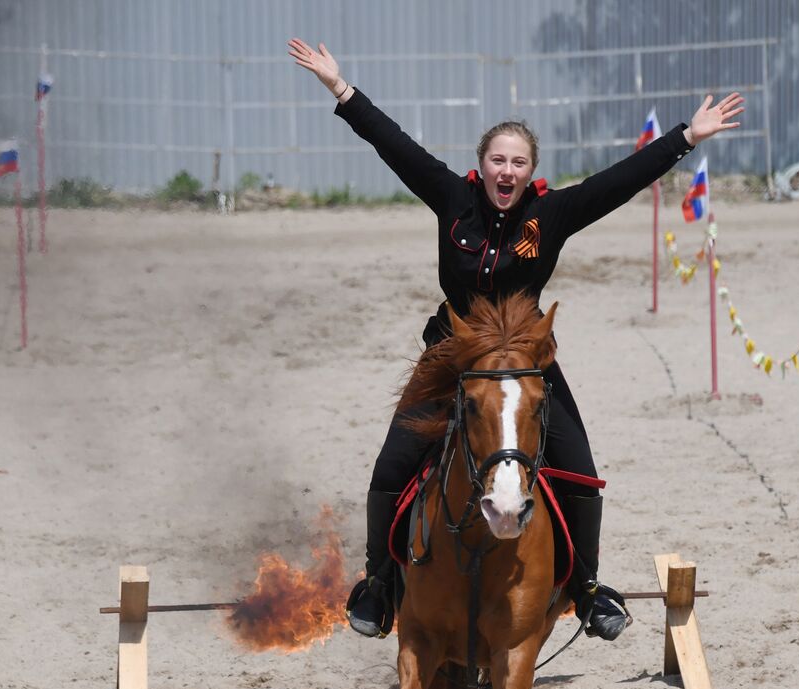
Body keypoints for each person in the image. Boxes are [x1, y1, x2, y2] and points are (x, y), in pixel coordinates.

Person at [288, 38, 743, 641]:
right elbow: (391, 143)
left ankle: (584, 587)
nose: (508, 172)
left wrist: (685, 137)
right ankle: (378, 583)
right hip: (453, 355)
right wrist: (340, 89)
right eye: (498, 161)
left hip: (525, 363)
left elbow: (620, 180)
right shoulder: (453, 198)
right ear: (483, 167)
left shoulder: (550, 214)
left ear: (532, 172)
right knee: (392, 463)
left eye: (519, 163)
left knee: (580, 470)